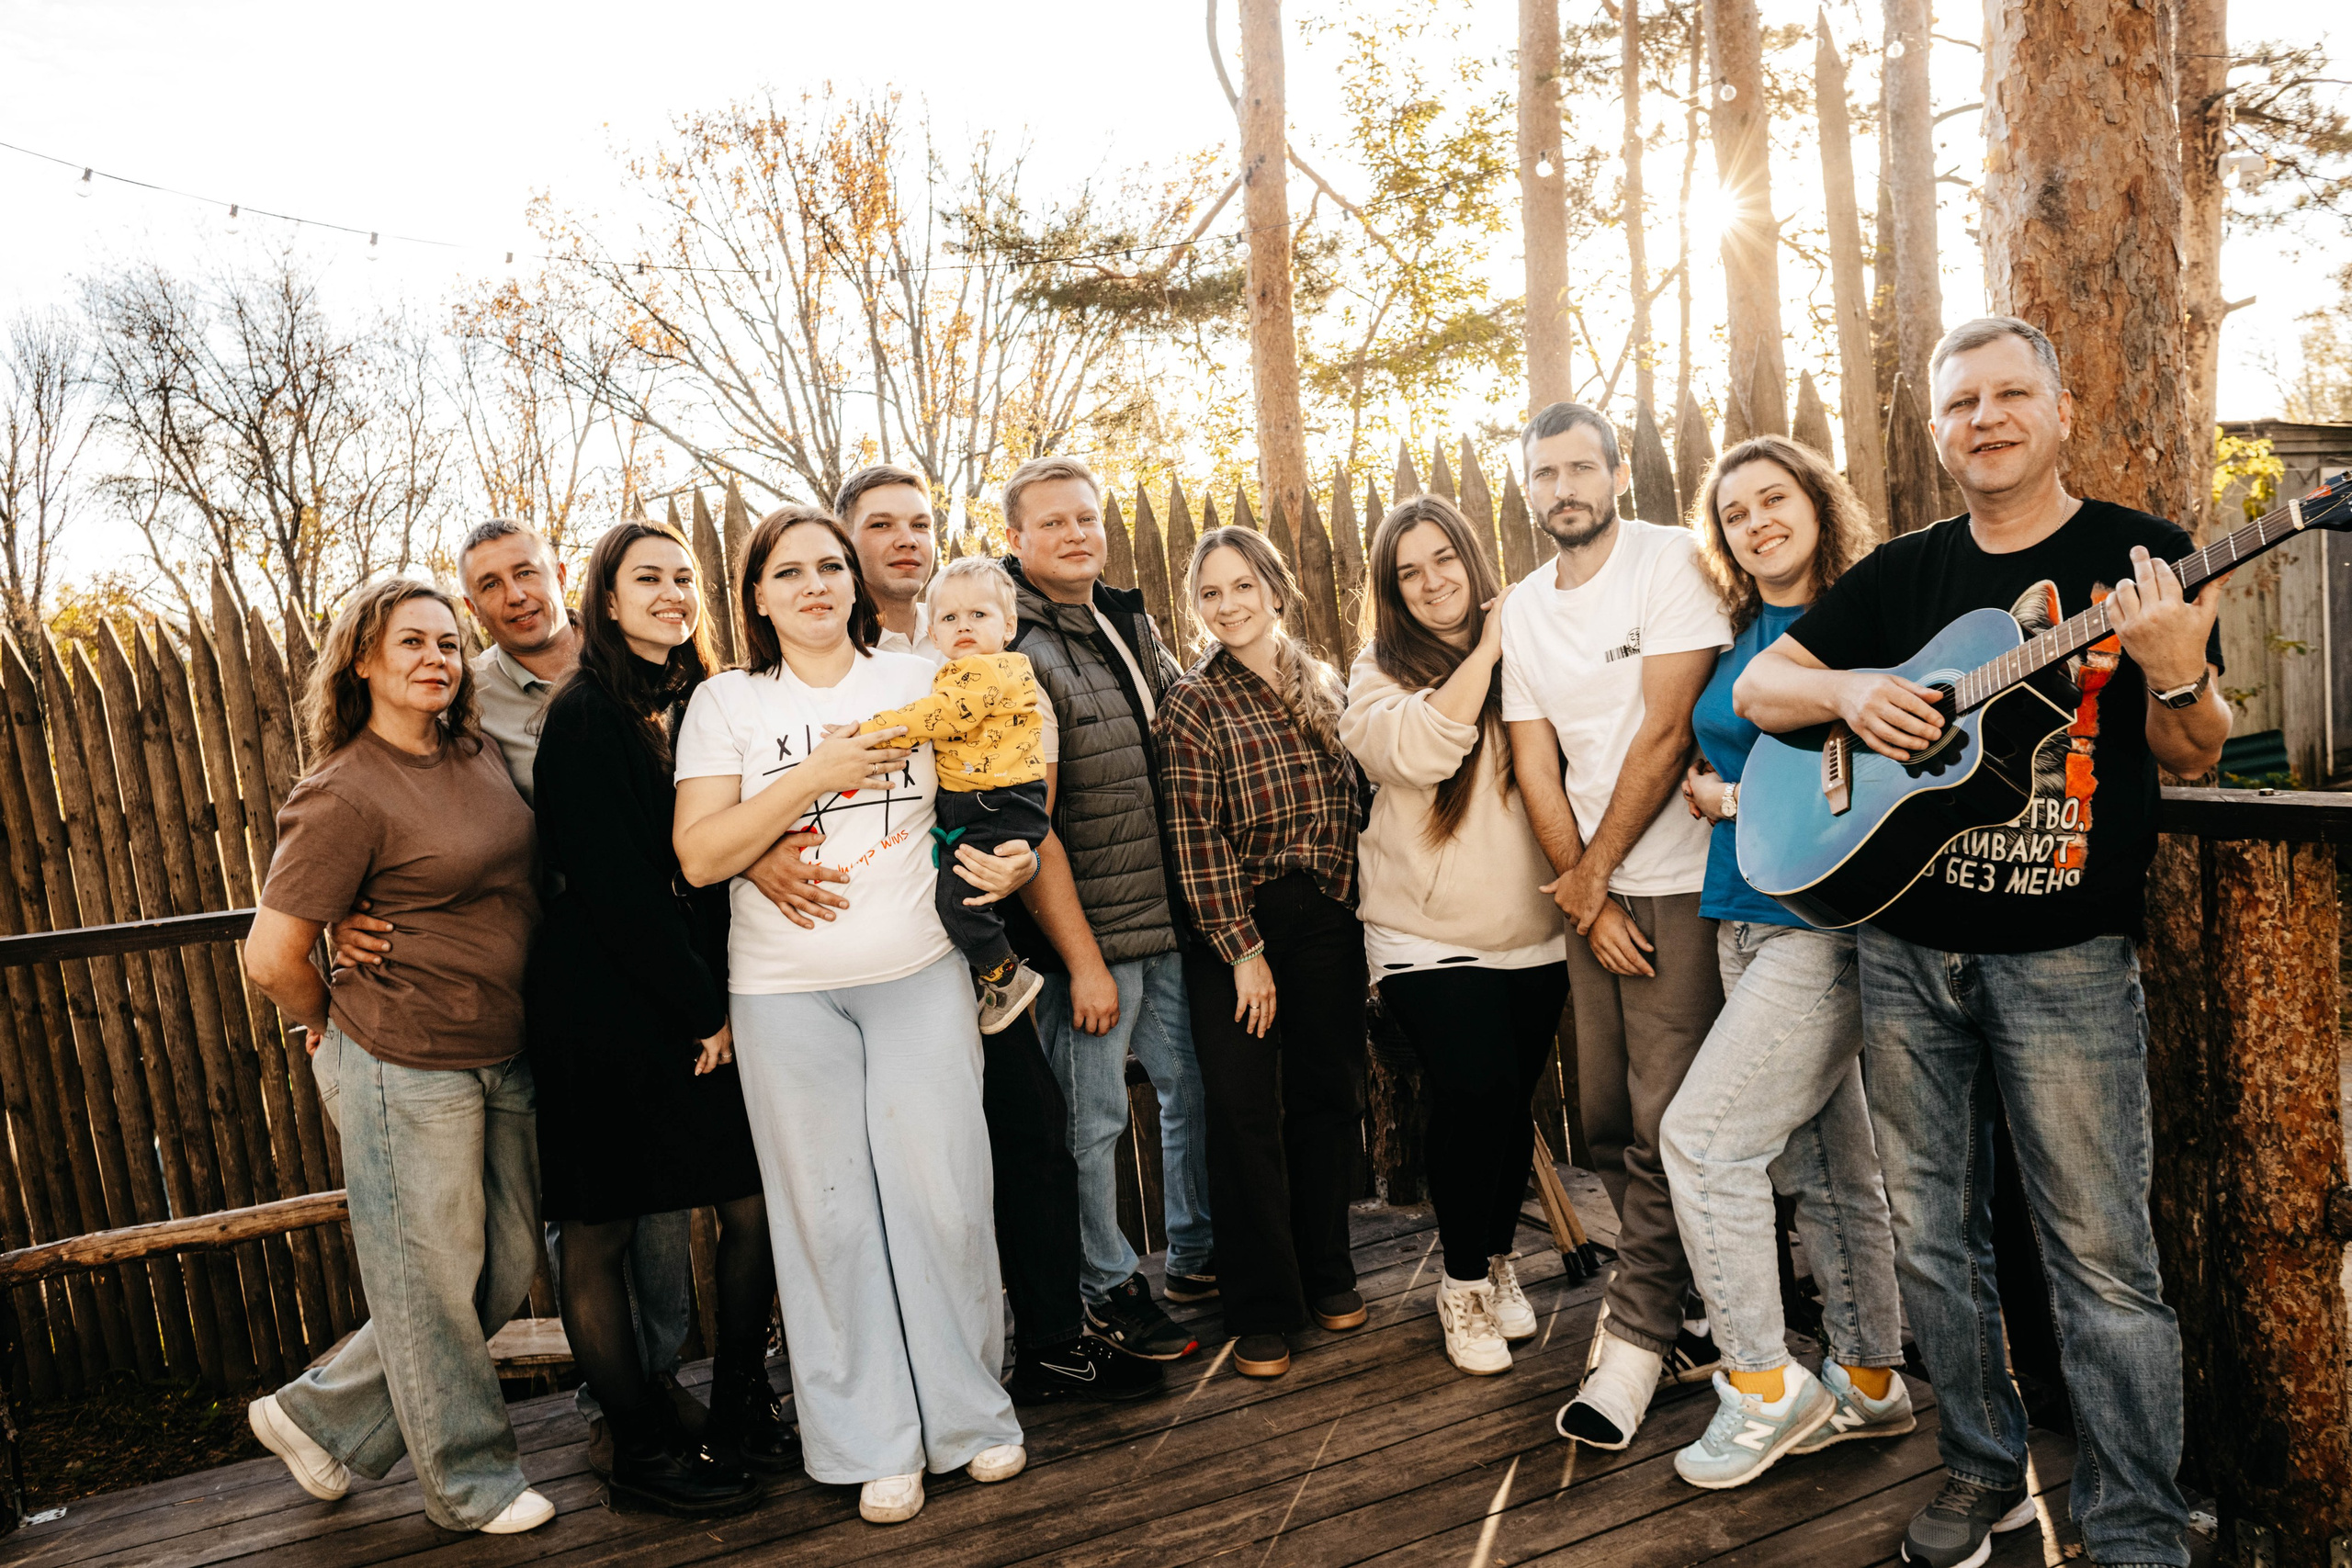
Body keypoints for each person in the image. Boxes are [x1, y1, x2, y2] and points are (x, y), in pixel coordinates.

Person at [1736, 317, 2222, 1568]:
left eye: (2012, 395)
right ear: (1938, 427)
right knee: (1934, 1240)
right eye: (1962, 402)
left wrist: (2174, 673)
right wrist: (1850, 692)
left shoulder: (2148, 557)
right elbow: (1758, 690)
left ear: (2061, 413)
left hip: (2065, 956)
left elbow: (2193, 751)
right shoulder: (1904, 571)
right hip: (1905, 954)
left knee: (2103, 1258)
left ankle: (2136, 1523)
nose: (1986, 418)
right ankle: (1978, 1464)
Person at [672, 504, 1036, 1526]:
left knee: (944, 1196)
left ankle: (970, 1419)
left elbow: (1001, 792)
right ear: (756, 595)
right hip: (785, 993)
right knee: (826, 1218)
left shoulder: (922, 676)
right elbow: (699, 855)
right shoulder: (727, 703)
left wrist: (1016, 858)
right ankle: (868, 1442)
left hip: (917, 969)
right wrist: (815, 775)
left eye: (831, 566)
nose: (817, 586)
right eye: (790, 573)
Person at [329, 519, 698, 1473]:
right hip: (561, 977)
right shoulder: (466, 699)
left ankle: (659, 1378)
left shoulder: (650, 658)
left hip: (669, 956)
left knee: (664, 1206)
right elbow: (376, 794)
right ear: (474, 603)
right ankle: (617, 1407)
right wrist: (339, 919)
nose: (514, 596)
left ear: (564, 577)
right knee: (586, 1212)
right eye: (487, 587)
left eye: (526, 573)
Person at [793, 465, 1157, 1404]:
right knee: (897, 1177)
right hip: (868, 964)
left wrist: (1071, 945)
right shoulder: (826, 663)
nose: (905, 539)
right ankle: (912, 1369)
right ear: (843, 544)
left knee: (1031, 1137)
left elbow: (1035, 819)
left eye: (919, 520)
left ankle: (1050, 1340)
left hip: (981, 955)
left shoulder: (982, 657)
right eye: (880, 525)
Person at [239, 578, 551, 1536]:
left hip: (503, 1042)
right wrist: (324, 1016)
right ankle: (470, 1483)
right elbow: (270, 953)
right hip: (403, 1057)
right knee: (431, 1275)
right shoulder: (342, 790)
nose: (436, 659)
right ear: (362, 662)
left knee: (501, 1266)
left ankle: (313, 1414)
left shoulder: (476, 751)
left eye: (449, 644)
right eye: (410, 643)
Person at [1655, 436, 1909, 1488]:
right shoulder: (1736, 631)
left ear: (1816, 503)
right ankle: (1870, 1381)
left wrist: (1735, 796)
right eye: (1734, 513)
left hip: (1824, 924)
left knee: (1705, 1143)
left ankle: (1762, 1388)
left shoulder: (1863, 619)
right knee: (1824, 1164)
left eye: (1774, 499)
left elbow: (1892, 758)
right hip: (1739, 916)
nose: (1756, 523)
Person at [527, 521, 792, 1516]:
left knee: (747, 1205)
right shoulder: (586, 713)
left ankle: (735, 1411)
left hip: (699, 986)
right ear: (604, 599)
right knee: (597, 1228)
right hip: (603, 1000)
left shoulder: (713, 703)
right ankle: (637, 1443)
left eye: (684, 578)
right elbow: (613, 886)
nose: (672, 594)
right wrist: (701, 1009)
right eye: (648, 579)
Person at [1498, 401, 1731, 1451]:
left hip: (1680, 882)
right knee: (1603, 1121)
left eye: (1579, 468)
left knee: (1662, 1124)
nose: (1562, 489)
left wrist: (1597, 881)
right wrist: (1583, 892)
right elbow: (1534, 761)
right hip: (1589, 898)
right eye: (1543, 474)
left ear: (1616, 470)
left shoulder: (1668, 560)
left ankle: (1635, 1340)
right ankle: (1689, 1308)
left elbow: (1667, 726)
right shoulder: (1520, 607)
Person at [1339, 495, 1564, 1378]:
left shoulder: (1536, 641)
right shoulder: (1377, 672)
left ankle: (1499, 1254)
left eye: (1446, 560)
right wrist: (1490, 649)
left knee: (1511, 1110)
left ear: (1472, 560)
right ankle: (1462, 1281)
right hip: (1424, 934)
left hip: (1536, 928)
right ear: (1392, 590)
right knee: (1475, 1091)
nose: (1434, 582)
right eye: (1410, 571)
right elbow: (1423, 751)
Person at [1001, 456, 1213, 1352]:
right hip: (1087, 937)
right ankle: (1108, 1283)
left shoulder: (1127, 619)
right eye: (1051, 522)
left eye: (1086, 518)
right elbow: (1026, 821)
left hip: (1169, 919)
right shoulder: (1013, 647)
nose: (1075, 534)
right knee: (1089, 1124)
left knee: (1193, 1093)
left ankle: (1198, 1253)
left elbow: (1185, 723)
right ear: (1014, 539)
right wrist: (1079, 958)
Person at [1156, 526, 1368, 1381]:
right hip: (1234, 926)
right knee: (1245, 1113)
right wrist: (1244, 950)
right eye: (1210, 593)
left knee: (1325, 1097)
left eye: (1242, 585)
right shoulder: (1193, 703)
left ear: (1275, 589)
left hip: (1327, 920)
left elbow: (1358, 801)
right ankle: (1263, 1305)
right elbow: (1192, 836)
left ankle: (1327, 1272)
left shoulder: (1323, 681)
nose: (1228, 605)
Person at [859, 555, 1052, 1032]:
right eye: (949, 618)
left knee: (958, 901)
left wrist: (870, 733)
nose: (963, 626)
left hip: (997, 802)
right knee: (957, 887)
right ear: (935, 631)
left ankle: (1005, 977)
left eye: (978, 615)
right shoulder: (953, 672)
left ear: (1008, 626)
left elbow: (940, 715)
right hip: (982, 802)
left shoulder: (991, 671)